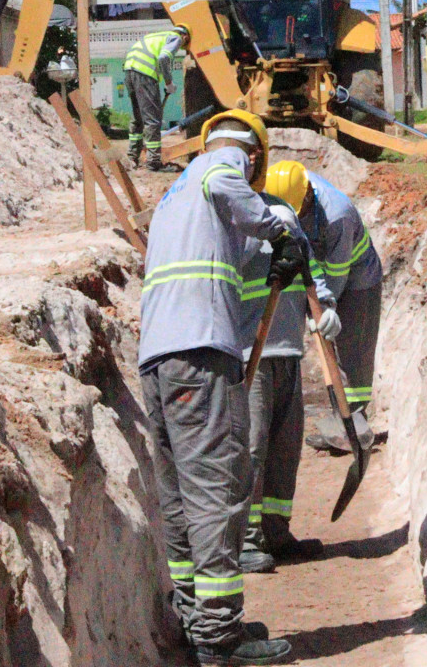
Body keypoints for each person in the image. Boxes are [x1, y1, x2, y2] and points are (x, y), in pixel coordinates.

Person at [138, 109, 299, 665]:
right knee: (217, 495)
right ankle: (220, 638)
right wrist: (280, 230)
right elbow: (228, 183)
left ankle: (194, 618)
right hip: (200, 354)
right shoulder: (221, 168)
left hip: (157, 361)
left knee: (181, 500)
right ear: (253, 157)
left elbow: (225, 261)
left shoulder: (173, 197)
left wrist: (268, 257)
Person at [239, 160, 342, 574]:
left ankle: (276, 532)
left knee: (285, 448)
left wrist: (327, 306)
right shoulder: (238, 224)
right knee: (251, 449)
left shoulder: (287, 220)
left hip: (288, 352)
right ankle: (245, 541)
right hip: (251, 356)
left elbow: (312, 273)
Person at [283, 166, 386, 456]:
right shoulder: (284, 191)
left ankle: (355, 421)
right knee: (334, 352)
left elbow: (337, 276)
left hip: (357, 278)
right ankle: (341, 418)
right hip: (323, 267)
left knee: (354, 348)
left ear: (307, 196)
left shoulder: (336, 214)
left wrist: (324, 309)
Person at [124, 24, 191, 171]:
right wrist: (169, 82)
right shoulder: (176, 38)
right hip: (145, 73)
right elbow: (163, 58)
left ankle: (132, 158)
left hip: (129, 71)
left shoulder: (155, 36)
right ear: (185, 36)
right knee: (153, 120)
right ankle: (153, 163)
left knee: (138, 118)